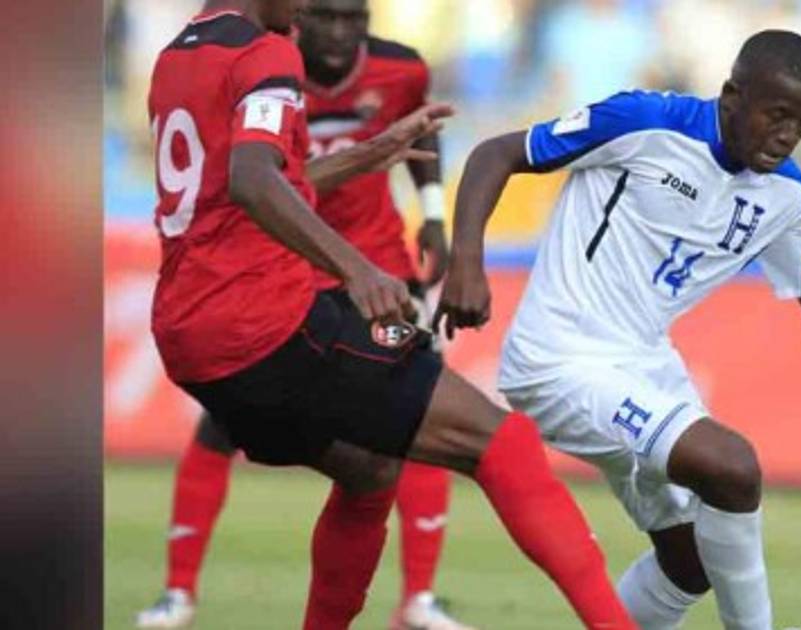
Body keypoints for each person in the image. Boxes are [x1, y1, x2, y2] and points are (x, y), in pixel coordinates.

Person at [142, 2, 635, 629]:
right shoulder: (267, 53)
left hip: (191, 332)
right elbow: (253, 181)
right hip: (269, 323)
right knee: (501, 440)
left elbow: (245, 187)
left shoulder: (178, 57)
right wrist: (358, 268)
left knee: (370, 471)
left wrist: (369, 153)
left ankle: (394, 601)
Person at [437, 29, 801, 629]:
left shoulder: (787, 197)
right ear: (732, 95)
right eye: (777, 114)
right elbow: (495, 154)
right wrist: (466, 262)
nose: (788, 134)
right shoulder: (645, 123)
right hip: (558, 358)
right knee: (733, 466)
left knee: (690, 563)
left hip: (643, 364)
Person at [135, 1, 472, 628]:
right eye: (326, 15)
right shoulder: (263, 60)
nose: (340, 31)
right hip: (286, 272)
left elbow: (421, 132)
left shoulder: (399, 68)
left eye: (354, 18)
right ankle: (177, 591)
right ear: (304, 17)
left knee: (419, 407)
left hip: (377, 269)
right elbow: (257, 180)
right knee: (222, 426)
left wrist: (431, 213)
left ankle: (419, 597)